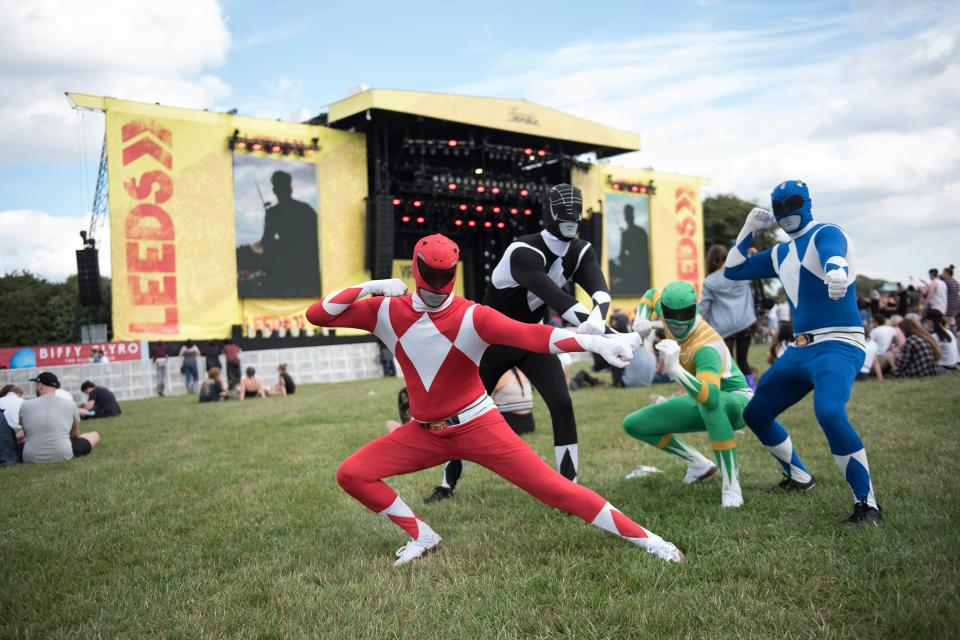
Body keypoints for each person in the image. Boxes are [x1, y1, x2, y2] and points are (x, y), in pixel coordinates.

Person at [306, 233, 683, 565]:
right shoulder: (387, 310)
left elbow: (537, 337)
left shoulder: (468, 315)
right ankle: (422, 536)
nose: (437, 286)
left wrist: (599, 341)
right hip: (423, 432)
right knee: (352, 474)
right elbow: (317, 315)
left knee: (557, 490)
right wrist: (376, 285)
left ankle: (653, 542)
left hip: (477, 424)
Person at [425, 184, 622, 503]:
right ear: (549, 212)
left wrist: (601, 318)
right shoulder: (523, 251)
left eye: (575, 207)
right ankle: (447, 483)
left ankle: (569, 487)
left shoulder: (580, 250)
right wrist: (608, 334)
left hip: (533, 337)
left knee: (561, 403)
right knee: (464, 412)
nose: (571, 214)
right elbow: (558, 298)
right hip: (493, 341)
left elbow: (599, 290)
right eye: (564, 208)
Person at [723, 179, 881, 526]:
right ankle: (799, 477)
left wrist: (836, 271)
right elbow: (732, 270)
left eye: (791, 203)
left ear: (806, 202)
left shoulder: (825, 231)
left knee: (828, 411)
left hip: (839, 344)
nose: (784, 211)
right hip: (800, 348)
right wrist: (748, 228)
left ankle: (867, 504)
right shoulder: (781, 253)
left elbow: (833, 251)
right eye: (779, 206)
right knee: (757, 414)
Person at [627, 281, 753, 508]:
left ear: (694, 310)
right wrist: (641, 318)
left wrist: (675, 370)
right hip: (703, 396)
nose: (675, 323)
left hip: (738, 402)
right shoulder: (666, 311)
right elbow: (650, 293)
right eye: (669, 315)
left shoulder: (705, 345)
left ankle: (732, 486)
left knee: (710, 406)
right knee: (635, 423)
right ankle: (699, 464)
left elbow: (712, 398)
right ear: (664, 310)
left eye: (683, 315)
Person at [700, 244, 758, 389]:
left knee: (727, 366)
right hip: (745, 323)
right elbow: (754, 266)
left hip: (724, 329)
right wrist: (750, 256)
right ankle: (752, 391)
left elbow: (704, 308)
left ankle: (734, 393)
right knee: (743, 361)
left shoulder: (709, 282)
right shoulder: (741, 272)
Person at [20, 372, 100, 463]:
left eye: (36, 385)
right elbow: (75, 435)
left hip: (30, 456)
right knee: (94, 434)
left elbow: (27, 435)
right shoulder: (70, 404)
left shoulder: (25, 405)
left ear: (40, 386)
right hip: (62, 454)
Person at [615, 204, 650, 294]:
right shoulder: (640, 231)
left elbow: (622, 254)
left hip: (636, 269)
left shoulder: (626, 234)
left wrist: (618, 262)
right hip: (642, 268)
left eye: (627, 214)